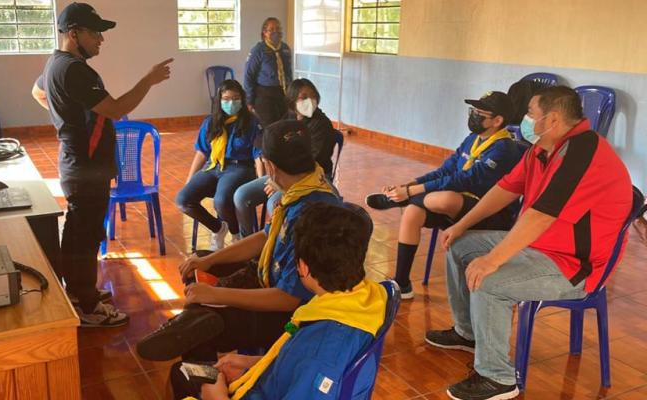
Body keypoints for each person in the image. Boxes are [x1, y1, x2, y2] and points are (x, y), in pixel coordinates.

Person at [427, 86, 632, 400]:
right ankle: (467, 333)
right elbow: (505, 189)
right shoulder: (542, 149)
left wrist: (492, 260)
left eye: (530, 114)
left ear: (552, 119)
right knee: (460, 246)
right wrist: (461, 225)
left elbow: (541, 216)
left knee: (488, 281)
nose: (525, 120)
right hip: (539, 245)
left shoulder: (583, 151)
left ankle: (497, 379)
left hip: (574, 265)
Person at [135, 120, 341, 365]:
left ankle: (201, 364)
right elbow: (265, 237)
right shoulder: (303, 188)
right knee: (201, 264)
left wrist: (217, 294)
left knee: (205, 324)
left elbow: (288, 298)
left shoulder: (312, 215)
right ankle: (192, 322)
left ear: (270, 166)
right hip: (269, 277)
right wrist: (209, 260)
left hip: (291, 317)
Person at [31, 2, 172, 327]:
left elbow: (37, 93)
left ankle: (79, 292)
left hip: (78, 164)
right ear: (74, 33)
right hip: (86, 167)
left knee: (81, 231)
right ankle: (87, 307)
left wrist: (66, 116)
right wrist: (148, 80)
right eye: (95, 33)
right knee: (85, 235)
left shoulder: (55, 63)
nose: (101, 39)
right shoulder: (74, 70)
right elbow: (117, 108)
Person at [168, 202, 385, 400]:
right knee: (190, 372)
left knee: (182, 374)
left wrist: (216, 396)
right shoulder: (367, 299)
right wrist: (256, 363)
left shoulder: (320, 351)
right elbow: (298, 363)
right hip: (276, 381)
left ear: (302, 267)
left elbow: (309, 366)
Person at [365, 92, 523, 299]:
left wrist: (410, 192)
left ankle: (402, 200)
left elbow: (465, 180)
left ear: (497, 120)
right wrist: (411, 184)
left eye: (479, 113)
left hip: (487, 213)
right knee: (413, 212)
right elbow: (445, 171)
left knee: (442, 198)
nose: (473, 116)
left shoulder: (504, 148)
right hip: (457, 206)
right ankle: (402, 284)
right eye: (473, 111)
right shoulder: (472, 139)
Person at [234, 78, 337, 238]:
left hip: (313, 177)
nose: (309, 101)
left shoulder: (321, 124)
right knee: (241, 195)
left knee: (274, 203)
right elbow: (268, 138)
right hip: (282, 173)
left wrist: (282, 181)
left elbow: (312, 161)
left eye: (313, 96)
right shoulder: (289, 118)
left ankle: (281, 245)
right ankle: (247, 242)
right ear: (292, 101)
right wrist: (273, 172)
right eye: (303, 97)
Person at [175, 80, 262, 250]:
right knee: (183, 200)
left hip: (239, 167)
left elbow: (258, 155)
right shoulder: (211, 122)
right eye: (226, 99)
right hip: (213, 166)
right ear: (219, 101)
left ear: (242, 99)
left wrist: (261, 180)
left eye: (236, 98)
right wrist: (189, 179)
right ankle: (218, 228)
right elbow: (202, 152)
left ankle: (236, 235)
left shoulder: (251, 122)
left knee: (221, 201)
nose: (231, 103)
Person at [244, 17, 292, 128]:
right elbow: (249, 76)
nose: (276, 32)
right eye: (272, 29)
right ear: (264, 33)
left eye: (278, 29)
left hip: (283, 93)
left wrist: (291, 94)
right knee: (269, 127)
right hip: (265, 95)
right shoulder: (258, 50)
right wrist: (249, 101)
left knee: (284, 125)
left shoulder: (285, 49)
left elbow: (288, 73)